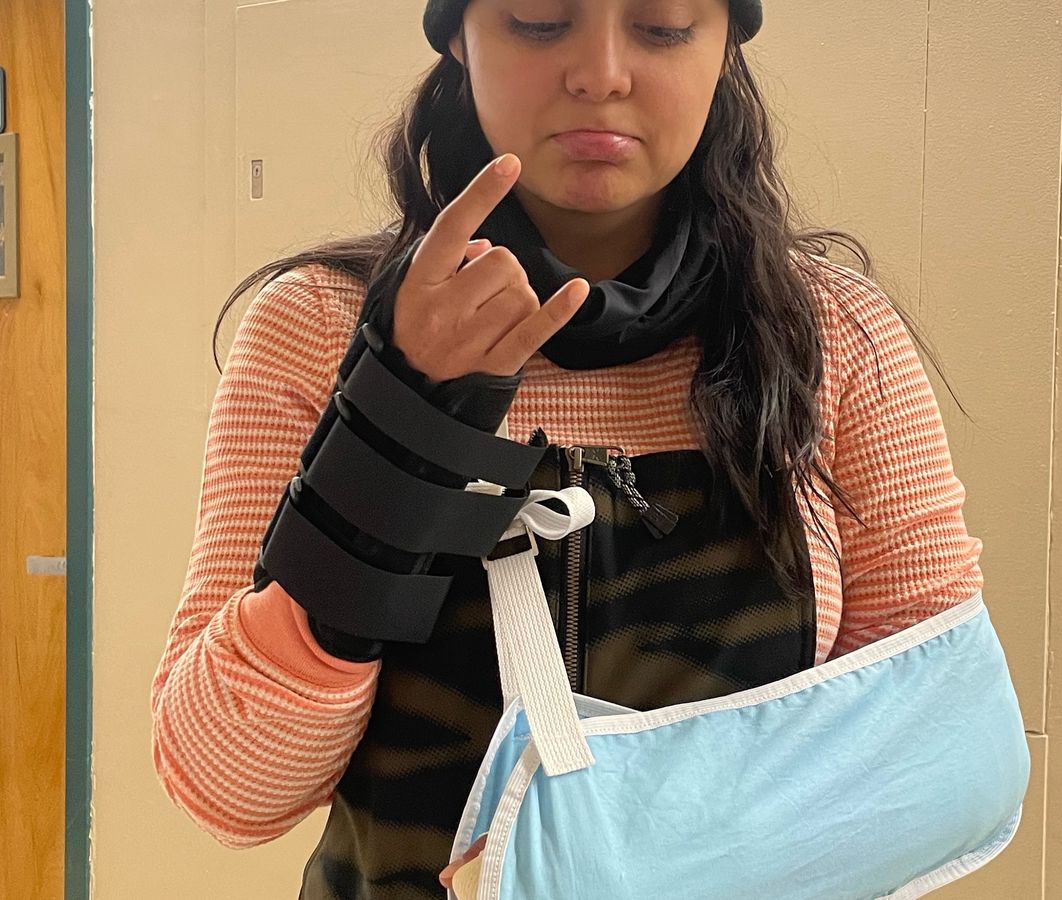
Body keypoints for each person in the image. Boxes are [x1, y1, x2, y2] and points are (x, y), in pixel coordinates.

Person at [150, 1, 985, 897]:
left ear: (723, 49)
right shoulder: (320, 326)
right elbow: (230, 791)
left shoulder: (832, 336)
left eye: (663, 27)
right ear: (459, 38)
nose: (601, 75)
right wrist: (401, 418)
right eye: (540, 21)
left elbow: (938, 755)